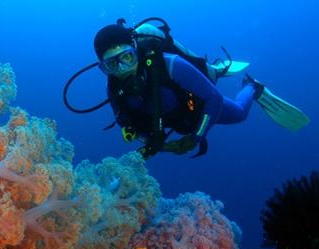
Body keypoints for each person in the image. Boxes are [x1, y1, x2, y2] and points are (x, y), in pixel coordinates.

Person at [63, 18, 310, 159]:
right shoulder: (115, 85)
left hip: (198, 107)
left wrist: (196, 137)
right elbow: (125, 122)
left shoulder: (169, 65)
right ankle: (217, 71)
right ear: (103, 66)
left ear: (135, 49)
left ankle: (252, 87)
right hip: (175, 120)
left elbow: (212, 99)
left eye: (126, 57)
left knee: (239, 114)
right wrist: (147, 142)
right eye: (112, 64)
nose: (122, 68)